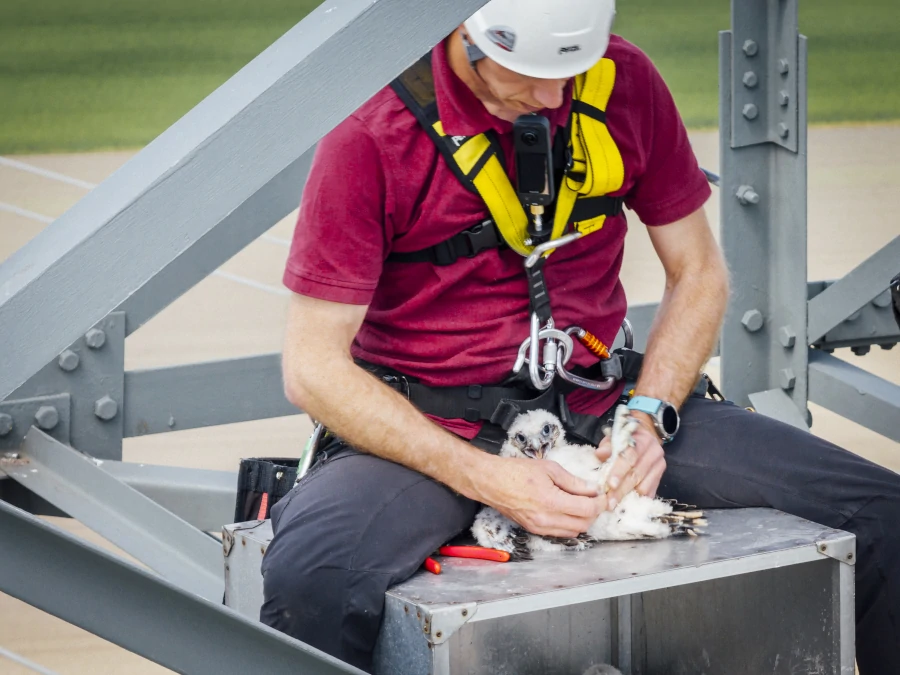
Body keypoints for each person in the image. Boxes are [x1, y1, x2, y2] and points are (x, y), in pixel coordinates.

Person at [259, 0, 900, 671]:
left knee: (884, 516)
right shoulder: (374, 133)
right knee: (314, 580)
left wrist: (649, 415)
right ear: (468, 38)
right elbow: (312, 367)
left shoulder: (622, 82)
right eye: (528, 75)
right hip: (429, 431)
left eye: (569, 73)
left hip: (602, 415)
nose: (552, 97)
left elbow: (700, 272)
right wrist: (493, 478)